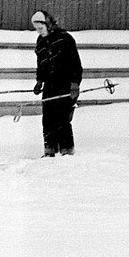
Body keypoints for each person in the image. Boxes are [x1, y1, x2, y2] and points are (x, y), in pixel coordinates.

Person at [32, 10, 83, 157]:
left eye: (40, 28)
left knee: (62, 118)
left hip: (65, 83)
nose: (38, 31)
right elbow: (40, 64)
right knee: (47, 117)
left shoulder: (64, 39)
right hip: (49, 84)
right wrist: (39, 81)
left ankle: (67, 149)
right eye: (36, 29)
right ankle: (50, 149)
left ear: (47, 24)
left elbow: (75, 63)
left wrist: (75, 84)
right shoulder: (41, 41)